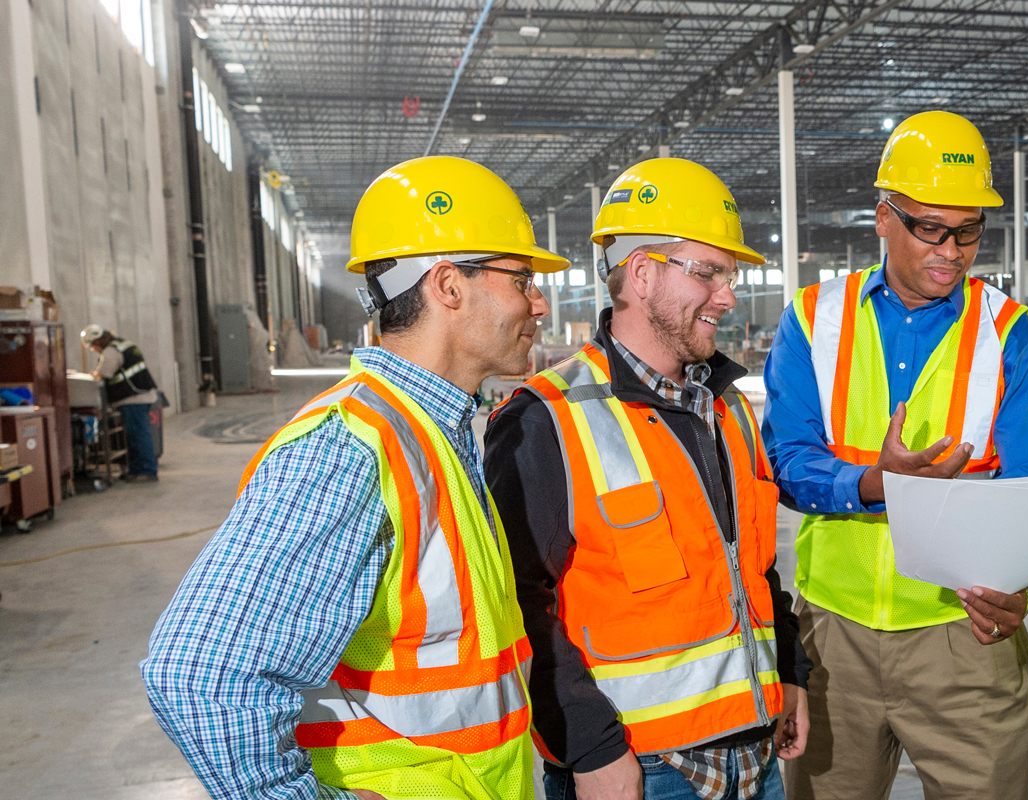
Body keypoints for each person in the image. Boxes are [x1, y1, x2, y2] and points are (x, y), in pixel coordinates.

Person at [142, 155, 566, 800]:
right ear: (447, 285)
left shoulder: (431, 430)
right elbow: (201, 673)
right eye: (522, 278)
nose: (538, 303)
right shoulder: (351, 447)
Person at [761, 110, 1028, 800]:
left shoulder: (1012, 337)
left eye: (968, 232)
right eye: (930, 228)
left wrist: (1016, 591)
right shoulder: (813, 320)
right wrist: (874, 484)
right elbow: (785, 458)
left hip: (963, 641)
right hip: (833, 639)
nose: (952, 250)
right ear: (882, 219)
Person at [484, 158, 810, 800]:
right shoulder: (545, 420)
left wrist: (788, 671)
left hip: (756, 749)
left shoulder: (729, 407)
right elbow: (518, 606)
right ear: (642, 272)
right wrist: (589, 750)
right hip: (642, 767)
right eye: (709, 272)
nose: (728, 295)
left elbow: (752, 567)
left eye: (731, 275)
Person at [81, 324, 161, 482]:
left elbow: (104, 373)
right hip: (141, 395)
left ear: (96, 342)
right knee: (136, 435)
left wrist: (94, 374)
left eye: (92, 347)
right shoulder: (123, 344)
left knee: (138, 435)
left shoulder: (111, 351)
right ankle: (138, 469)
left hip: (134, 398)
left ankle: (147, 471)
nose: (94, 350)